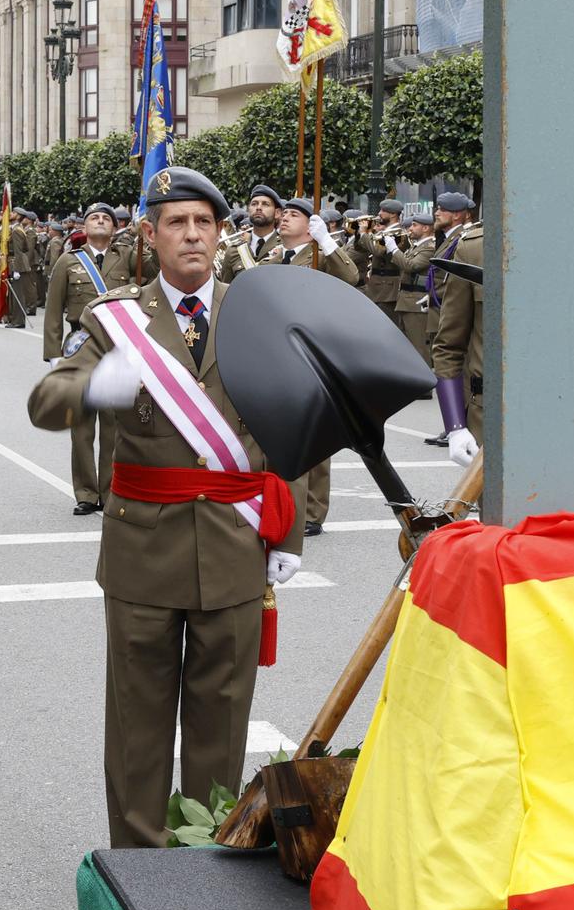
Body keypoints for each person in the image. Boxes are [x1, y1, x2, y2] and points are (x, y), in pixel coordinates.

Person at [25, 165, 306, 849]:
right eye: (175, 222)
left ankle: (206, 854)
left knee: (222, 720)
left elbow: (293, 421)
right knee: (138, 724)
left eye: (203, 222)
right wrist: (98, 386)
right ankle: (142, 865)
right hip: (144, 552)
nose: (190, 235)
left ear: (220, 233)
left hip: (236, 545)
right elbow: (45, 401)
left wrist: (289, 527)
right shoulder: (116, 318)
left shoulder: (255, 310)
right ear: (150, 235)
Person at [273, 194, 360, 534]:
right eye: (285, 213)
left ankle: (311, 511)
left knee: (316, 434)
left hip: (312, 354)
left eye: (294, 215)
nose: (284, 219)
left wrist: (326, 242)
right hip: (279, 352)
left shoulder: (319, 257)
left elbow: (351, 277)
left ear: (309, 228)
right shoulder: (274, 257)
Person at [43, 203, 119, 516]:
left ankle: (112, 490)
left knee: (115, 425)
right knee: (83, 426)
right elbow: (53, 308)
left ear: (114, 229)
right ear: (84, 228)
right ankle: (86, 492)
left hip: (118, 346)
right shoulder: (68, 261)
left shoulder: (127, 257)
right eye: (94, 218)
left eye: (106, 218)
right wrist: (53, 356)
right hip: (80, 344)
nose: (100, 221)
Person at [430, 197, 484, 466]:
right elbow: (449, 345)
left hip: (565, 412)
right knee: (498, 507)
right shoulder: (476, 249)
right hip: (489, 410)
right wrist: (455, 424)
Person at [392, 209, 438, 365]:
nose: (410, 228)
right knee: (407, 348)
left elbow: (411, 266)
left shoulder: (430, 247)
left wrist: (394, 249)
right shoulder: (415, 247)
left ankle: (425, 388)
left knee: (419, 348)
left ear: (425, 228)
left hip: (416, 304)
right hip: (406, 302)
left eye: (414, 225)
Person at [214, 186, 284, 282]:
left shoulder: (286, 247)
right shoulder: (234, 251)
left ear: (277, 213)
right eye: (254, 204)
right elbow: (227, 291)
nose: (258, 208)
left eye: (265, 204)